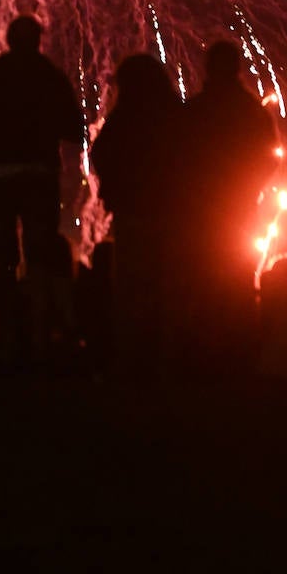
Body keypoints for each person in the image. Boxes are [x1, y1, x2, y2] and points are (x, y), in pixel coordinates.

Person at [0, 14, 83, 364]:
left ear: (9, 40)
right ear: (39, 40)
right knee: (40, 257)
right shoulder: (50, 76)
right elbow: (75, 130)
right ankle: (39, 341)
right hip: (39, 174)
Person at [175, 39, 277, 374]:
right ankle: (239, 350)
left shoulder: (195, 110)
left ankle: (202, 351)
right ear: (238, 68)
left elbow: (177, 160)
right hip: (239, 206)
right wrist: (249, 188)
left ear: (208, 68)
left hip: (202, 210)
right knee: (238, 275)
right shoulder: (251, 112)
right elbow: (268, 159)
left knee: (200, 276)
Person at [91, 53, 181, 373]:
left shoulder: (123, 118)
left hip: (132, 211)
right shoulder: (176, 114)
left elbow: (99, 153)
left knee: (131, 283)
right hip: (173, 212)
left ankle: (132, 355)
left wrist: (115, 189)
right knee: (169, 283)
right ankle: (169, 354)